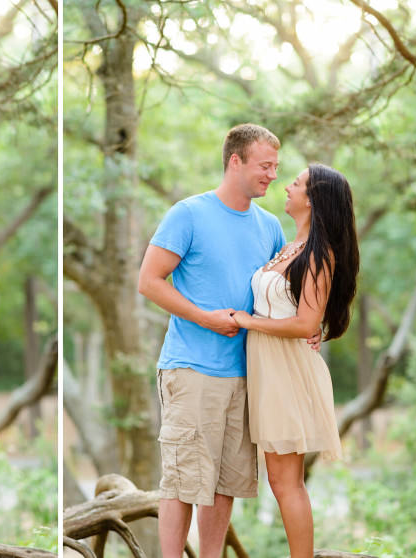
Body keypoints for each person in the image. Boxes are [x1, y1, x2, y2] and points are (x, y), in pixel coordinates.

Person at [137, 124, 286, 558]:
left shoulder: (270, 225)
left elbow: (281, 293)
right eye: (264, 165)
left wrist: (310, 328)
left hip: (247, 376)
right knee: (184, 482)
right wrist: (204, 318)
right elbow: (149, 281)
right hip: (192, 369)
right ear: (235, 161)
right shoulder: (189, 214)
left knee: (226, 484)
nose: (272, 175)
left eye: (276, 166)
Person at [230, 164, 360, 558]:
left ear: (313, 199)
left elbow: (305, 321)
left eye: (297, 183)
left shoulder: (320, 255)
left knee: (287, 482)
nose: (286, 186)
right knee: (280, 478)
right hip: (268, 366)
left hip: (286, 370)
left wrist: (248, 321)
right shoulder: (289, 247)